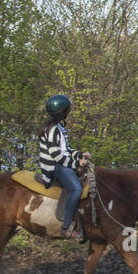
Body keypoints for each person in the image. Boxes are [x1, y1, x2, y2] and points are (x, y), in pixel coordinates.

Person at [38, 94, 89, 240]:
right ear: (62, 112)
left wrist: (80, 155)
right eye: (67, 109)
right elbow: (57, 156)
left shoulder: (59, 127)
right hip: (55, 167)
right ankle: (66, 227)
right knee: (76, 188)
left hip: (62, 163)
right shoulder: (52, 129)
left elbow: (66, 150)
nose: (69, 112)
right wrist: (76, 164)